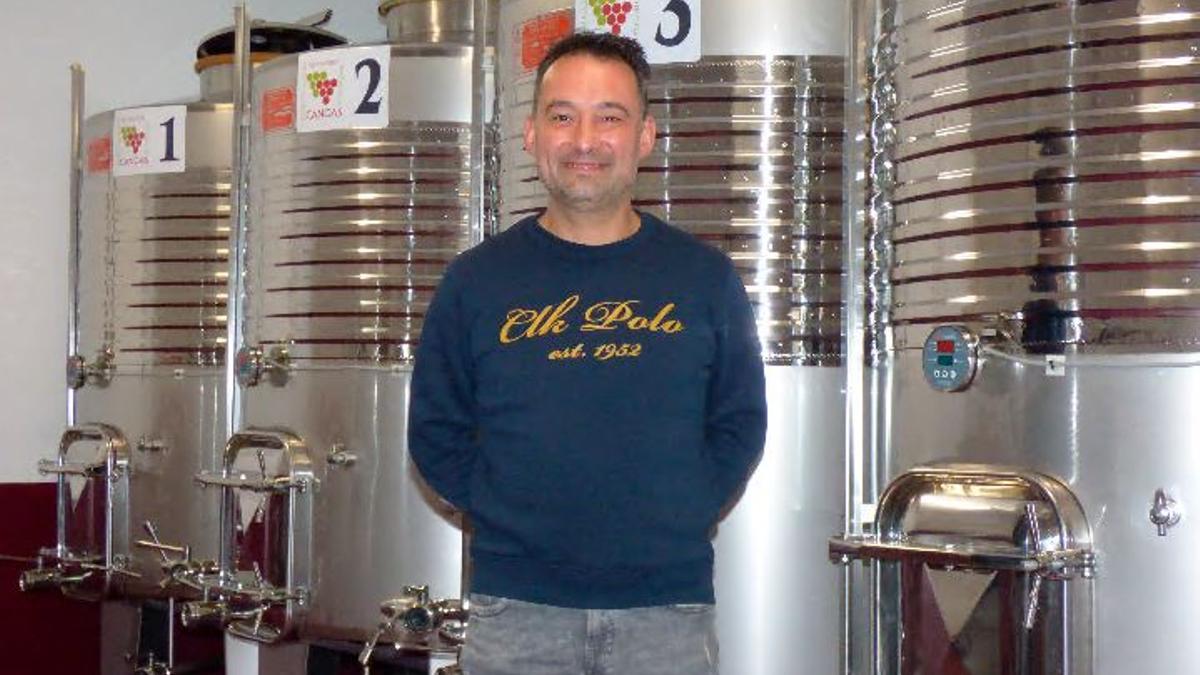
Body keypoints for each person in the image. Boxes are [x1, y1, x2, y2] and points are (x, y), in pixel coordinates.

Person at [408, 31, 767, 675]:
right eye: (563, 116)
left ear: (645, 138)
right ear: (531, 135)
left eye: (610, 117)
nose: (584, 140)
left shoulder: (704, 280)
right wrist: (506, 513)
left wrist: (678, 508)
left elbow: (740, 423)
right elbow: (436, 432)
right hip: (515, 610)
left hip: (666, 613)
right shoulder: (475, 282)